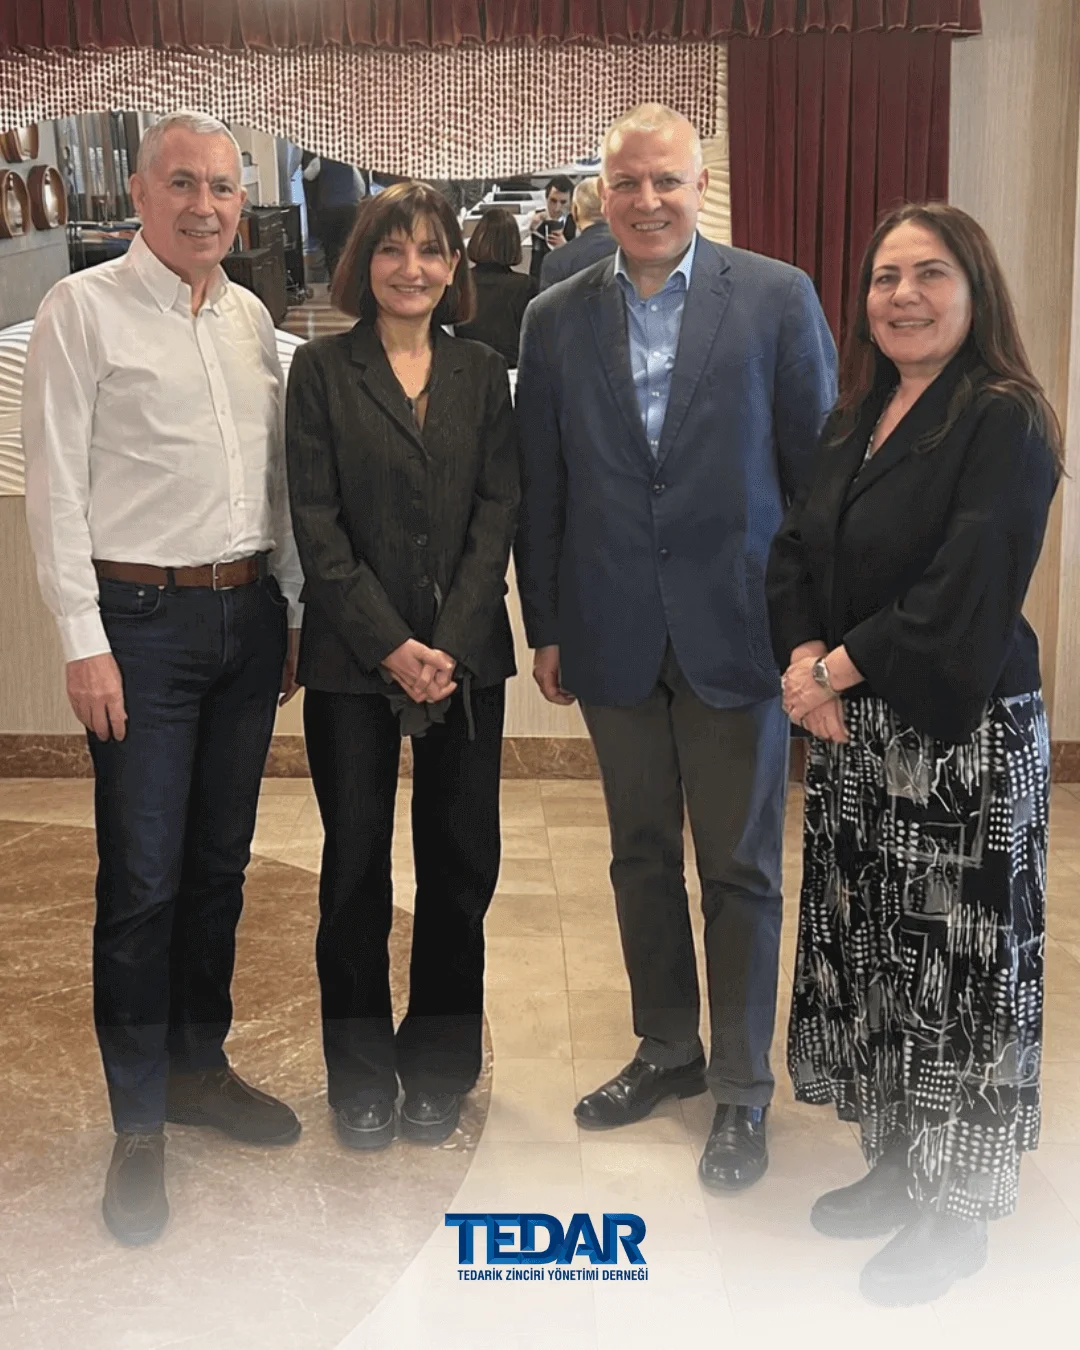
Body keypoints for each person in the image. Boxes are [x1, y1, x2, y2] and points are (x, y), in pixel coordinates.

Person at [515, 104, 836, 1190]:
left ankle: (743, 1088)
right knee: (639, 854)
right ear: (600, 193)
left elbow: (814, 484)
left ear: (702, 186)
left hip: (738, 635)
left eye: (666, 181)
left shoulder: (778, 298)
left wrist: (811, 637)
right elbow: (544, 487)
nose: (646, 201)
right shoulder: (553, 317)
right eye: (626, 183)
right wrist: (546, 625)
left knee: (739, 865)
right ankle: (667, 1049)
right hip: (609, 633)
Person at [766, 202, 1060, 1306]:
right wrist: (805, 657)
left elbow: (966, 586)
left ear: (975, 289)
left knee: (961, 974)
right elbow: (794, 549)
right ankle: (896, 1159)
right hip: (855, 732)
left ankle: (961, 1206)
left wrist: (830, 674)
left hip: (961, 739)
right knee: (879, 955)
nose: (903, 296)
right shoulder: (859, 415)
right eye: (886, 276)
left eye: (930, 274)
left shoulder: (1005, 418)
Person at [22, 111, 305, 1247]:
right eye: (182, 184)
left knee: (220, 866)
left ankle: (198, 1067)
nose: (205, 206)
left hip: (247, 617)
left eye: (223, 187)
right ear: (139, 195)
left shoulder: (250, 319)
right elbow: (56, 488)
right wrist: (81, 637)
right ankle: (139, 1118)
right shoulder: (80, 309)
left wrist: (289, 607)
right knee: (142, 878)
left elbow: (274, 483)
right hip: (137, 626)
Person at [285, 182, 519, 1152]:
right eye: (392, 249)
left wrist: (448, 644)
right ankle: (359, 1076)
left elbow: (497, 515)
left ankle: (439, 1066)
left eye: (430, 250)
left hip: (466, 663)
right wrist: (391, 644)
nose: (411, 268)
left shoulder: (483, 371)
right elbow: (317, 524)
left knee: (460, 867)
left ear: (454, 267)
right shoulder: (319, 370)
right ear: (363, 263)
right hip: (352, 662)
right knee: (353, 869)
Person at [455, 207, 537, 367]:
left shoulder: (459, 282)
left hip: (465, 367)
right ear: (514, 244)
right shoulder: (527, 286)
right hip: (511, 368)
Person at [538, 177, 616, 291]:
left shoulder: (555, 261)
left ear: (574, 210)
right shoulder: (636, 253)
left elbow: (546, 302)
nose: (557, 208)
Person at [304, 155, 365, 281]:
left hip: (329, 209)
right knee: (348, 245)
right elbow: (361, 188)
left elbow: (308, 176)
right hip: (350, 209)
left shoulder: (319, 161)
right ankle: (348, 280)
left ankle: (334, 280)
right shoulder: (349, 163)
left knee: (331, 247)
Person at [527, 175, 576, 281]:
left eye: (563, 202)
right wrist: (530, 228)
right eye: (553, 201)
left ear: (571, 202)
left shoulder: (577, 223)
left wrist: (566, 248)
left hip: (565, 281)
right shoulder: (534, 218)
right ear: (546, 198)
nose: (557, 208)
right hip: (537, 280)